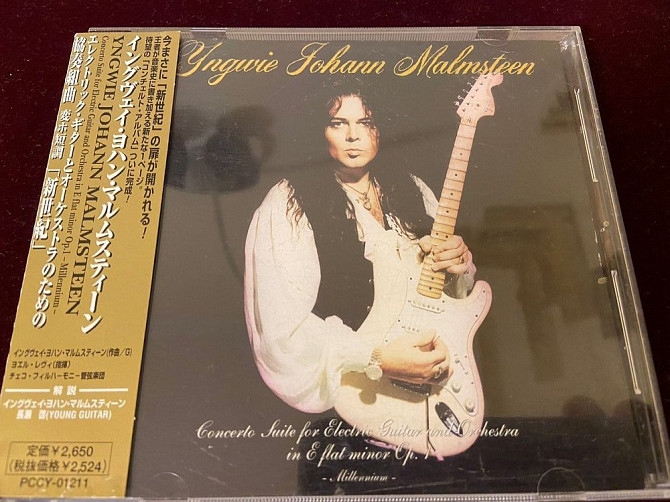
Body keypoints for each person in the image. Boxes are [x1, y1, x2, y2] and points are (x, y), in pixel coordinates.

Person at [244, 80, 475, 413]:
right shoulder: (287, 204)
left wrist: (458, 264)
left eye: (366, 122)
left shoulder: (413, 188)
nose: (354, 135)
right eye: (338, 123)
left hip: (432, 390)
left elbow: (448, 298)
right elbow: (281, 334)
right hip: (354, 402)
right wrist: (376, 357)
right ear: (319, 130)